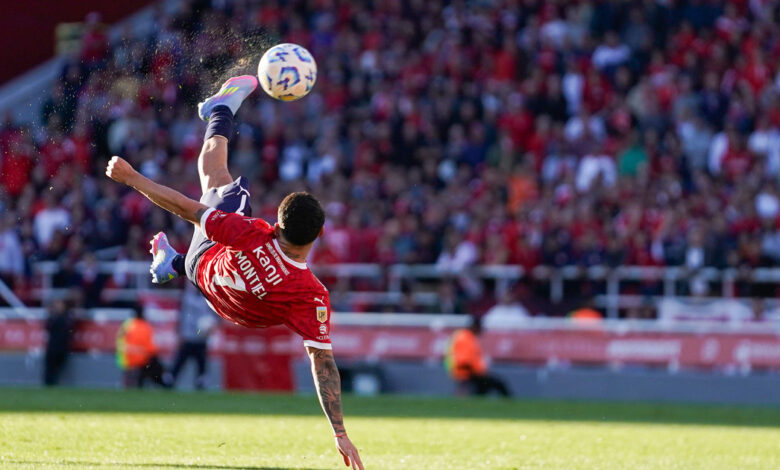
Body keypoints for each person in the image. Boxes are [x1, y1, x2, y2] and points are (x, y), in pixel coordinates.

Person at [105, 75, 363, 470]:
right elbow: (323, 365)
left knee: (220, 185)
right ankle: (169, 263)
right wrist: (340, 433)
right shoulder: (311, 296)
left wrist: (131, 178)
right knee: (217, 189)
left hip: (203, 266)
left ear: (277, 225)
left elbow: (185, 207)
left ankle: (219, 110)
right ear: (320, 234)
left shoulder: (253, 234)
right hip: (223, 303)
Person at [166, 283, 217, 389]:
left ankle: (201, 382)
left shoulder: (207, 299)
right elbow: (181, 316)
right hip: (188, 337)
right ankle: (170, 380)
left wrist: (211, 326)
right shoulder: (187, 297)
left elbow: (214, 317)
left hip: (201, 338)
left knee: (201, 364)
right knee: (180, 362)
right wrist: (179, 332)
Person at [445, 315, 510, 397]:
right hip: (467, 372)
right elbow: (464, 361)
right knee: (498, 383)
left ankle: (476, 398)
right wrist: (479, 373)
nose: (481, 330)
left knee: (485, 386)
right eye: (480, 327)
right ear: (475, 327)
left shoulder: (466, 336)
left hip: (468, 371)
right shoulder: (464, 338)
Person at [116, 307, 168, 388]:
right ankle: (164, 383)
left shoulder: (126, 324)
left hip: (125, 360)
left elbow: (118, 341)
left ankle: (130, 383)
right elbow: (152, 349)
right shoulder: (146, 327)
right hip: (141, 361)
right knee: (153, 364)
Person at [43, 298, 73, 386]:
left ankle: (54, 383)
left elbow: (70, 331)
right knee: (50, 368)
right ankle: (48, 383)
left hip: (62, 346)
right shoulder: (52, 318)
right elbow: (47, 328)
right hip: (52, 346)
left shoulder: (67, 317)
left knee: (58, 367)